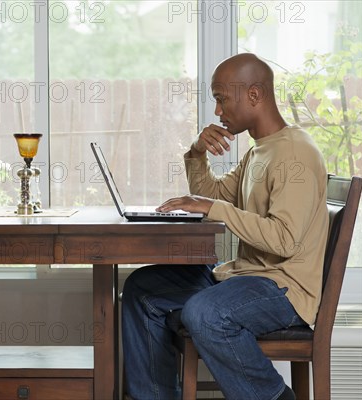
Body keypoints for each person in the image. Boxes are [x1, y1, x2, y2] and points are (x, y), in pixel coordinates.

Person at [121, 53, 328, 400]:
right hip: (245, 277)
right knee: (143, 290)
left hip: (285, 290)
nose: (217, 111)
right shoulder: (260, 151)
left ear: (254, 95)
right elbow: (214, 195)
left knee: (205, 312)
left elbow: (285, 239)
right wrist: (197, 152)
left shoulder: (295, 153)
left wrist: (213, 207)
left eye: (221, 99)